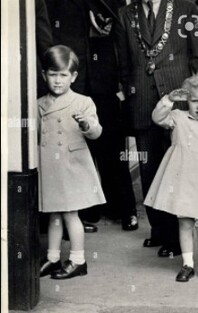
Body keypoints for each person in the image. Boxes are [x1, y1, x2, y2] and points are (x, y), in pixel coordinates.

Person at [115, 0, 198, 257]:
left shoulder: (186, 10)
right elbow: (124, 64)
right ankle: (159, 229)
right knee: (150, 171)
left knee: (176, 171)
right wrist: (130, 94)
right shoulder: (126, 14)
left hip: (178, 101)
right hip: (142, 103)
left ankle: (175, 237)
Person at [44, 0, 138, 232]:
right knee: (73, 146)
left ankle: (125, 208)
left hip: (103, 76)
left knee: (112, 144)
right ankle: (85, 210)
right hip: (70, 77)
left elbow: (119, 27)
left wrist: (124, 80)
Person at [144, 70, 198, 281]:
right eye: (194, 101)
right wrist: (169, 99)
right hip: (182, 181)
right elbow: (157, 117)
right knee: (184, 224)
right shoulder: (178, 118)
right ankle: (186, 264)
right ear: (187, 100)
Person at [39, 45, 106, 279]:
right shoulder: (38, 104)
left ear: (73, 77)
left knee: (70, 214)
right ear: (44, 75)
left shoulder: (83, 102)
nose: (58, 81)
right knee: (54, 213)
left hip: (72, 165)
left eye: (63, 75)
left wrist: (86, 124)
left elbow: (96, 133)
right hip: (50, 166)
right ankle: (53, 257)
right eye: (53, 74)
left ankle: (78, 260)